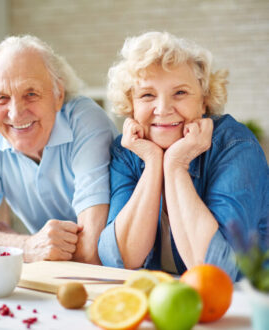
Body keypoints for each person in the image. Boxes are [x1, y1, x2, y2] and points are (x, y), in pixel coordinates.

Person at [98, 31, 268, 281]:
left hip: (246, 307)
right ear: (131, 104)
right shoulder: (128, 151)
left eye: (180, 93)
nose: (163, 109)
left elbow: (219, 269)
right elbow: (119, 258)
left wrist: (176, 165)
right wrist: (154, 162)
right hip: (172, 304)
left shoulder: (236, 145)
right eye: (147, 95)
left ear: (204, 102)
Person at [0, 35, 118, 264]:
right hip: (54, 278)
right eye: (2, 97)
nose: (15, 114)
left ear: (58, 96)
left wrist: (8, 245)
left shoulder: (85, 121)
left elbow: (91, 250)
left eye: (31, 94)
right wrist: (25, 246)